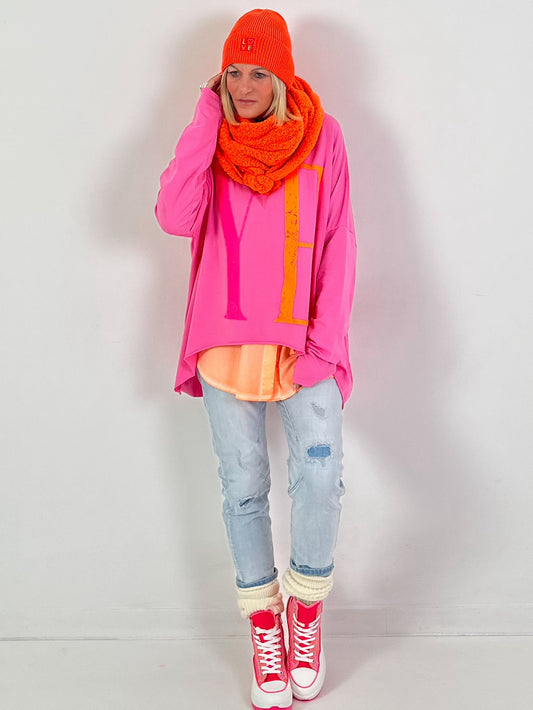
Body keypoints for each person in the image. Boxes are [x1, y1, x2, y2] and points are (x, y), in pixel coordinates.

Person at [155, 9, 356, 710]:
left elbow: (338, 240)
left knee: (319, 478)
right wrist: (204, 119)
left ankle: (306, 611)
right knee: (243, 487)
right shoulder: (212, 139)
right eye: (232, 73)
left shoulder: (323, 137)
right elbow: (173, 217)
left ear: (282, 76)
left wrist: (324, 341)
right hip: (224, 341)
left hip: (304, 342)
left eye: (257, 72)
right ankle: (264, 626)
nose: (244, 86)